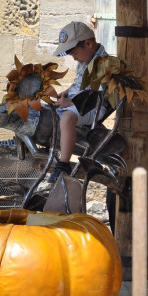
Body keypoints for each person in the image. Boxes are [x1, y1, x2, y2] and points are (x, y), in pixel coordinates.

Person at [49, 21, 108, 184]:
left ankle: (63, 164)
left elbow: (95, 95)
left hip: (92, 107)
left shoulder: (103, 63)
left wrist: (71, 103)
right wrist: (68, 92)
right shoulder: (85, 60)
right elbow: (79, 83)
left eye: (74, 53)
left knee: (67, 119)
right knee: (42, 108)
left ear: (88, 44)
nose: (74, 58)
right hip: (75, 102)